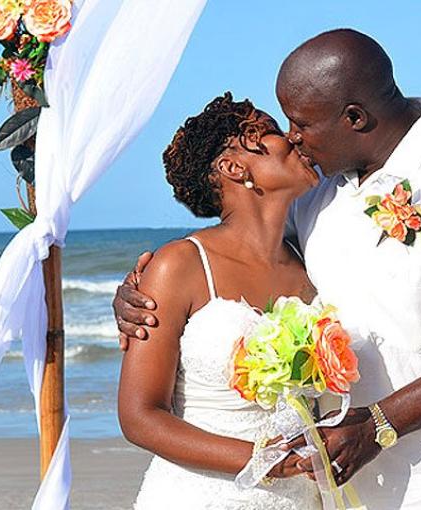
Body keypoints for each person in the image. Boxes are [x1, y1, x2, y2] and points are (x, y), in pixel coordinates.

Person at [115, 30, 421, 509]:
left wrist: (377, 425)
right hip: (350, 488)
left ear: (354, 117)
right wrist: (140, 294)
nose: (292, 137)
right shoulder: (321, 194)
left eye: (299, 123)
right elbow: (240, 242)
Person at [118, 93, 322, 509]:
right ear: (234, 167)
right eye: (272, 131)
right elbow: (140, 417)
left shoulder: (313, 265)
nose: (294, 140)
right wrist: (264, 460)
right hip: (200, 495)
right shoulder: (180, 263)